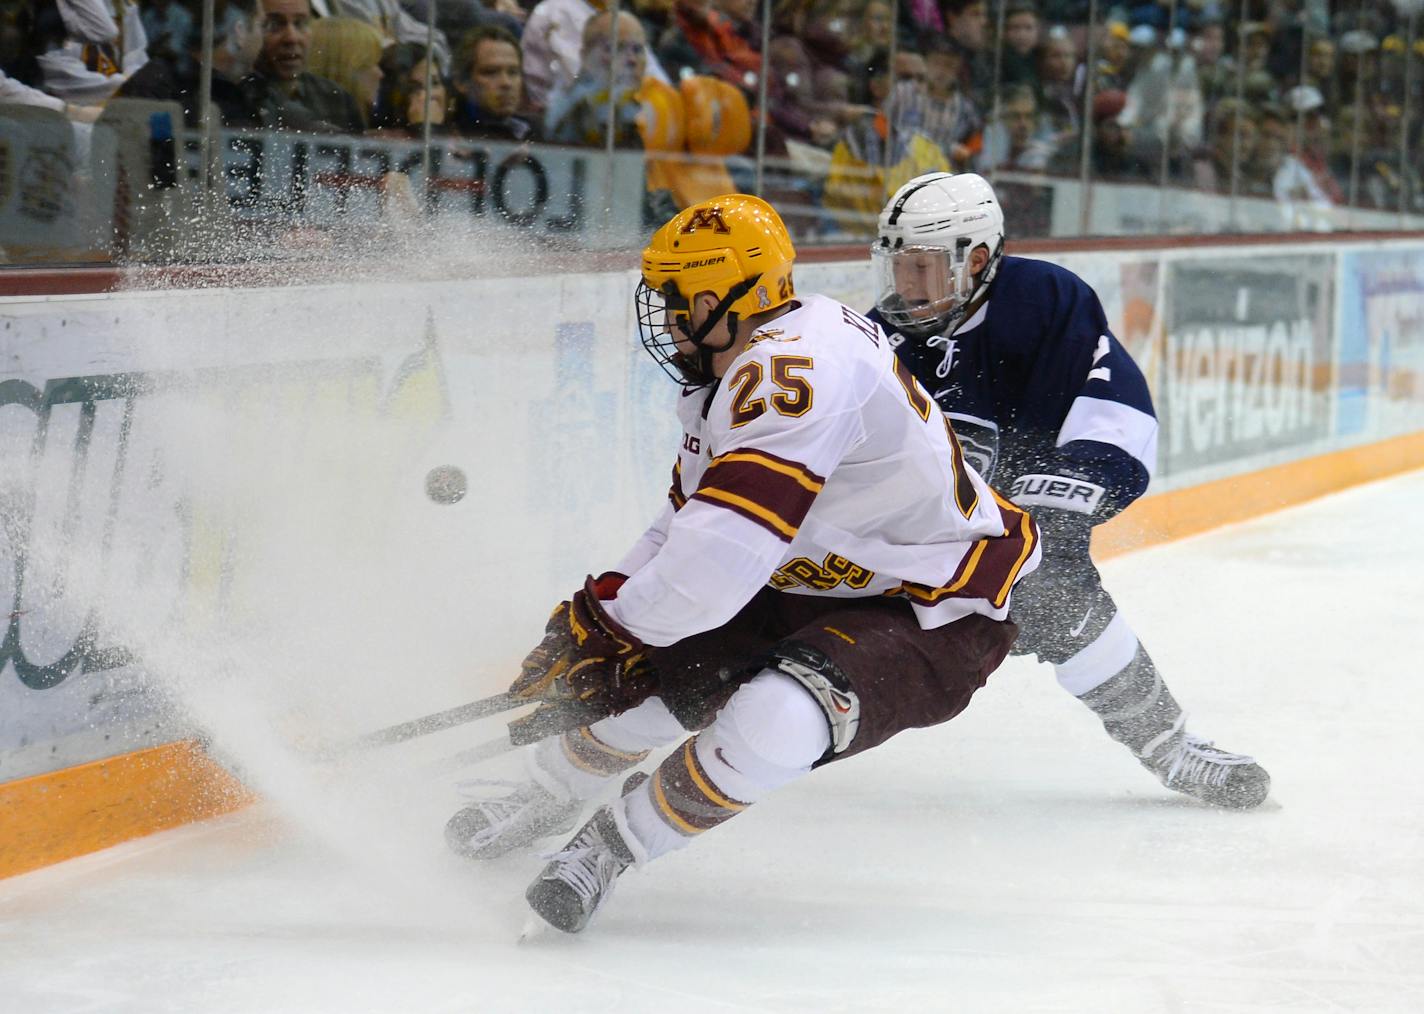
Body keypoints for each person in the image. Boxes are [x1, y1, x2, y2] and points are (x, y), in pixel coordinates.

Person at [445, 193, 1042, 934]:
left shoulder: (790, 377)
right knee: (646, 691)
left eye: (672, 299)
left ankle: (614, 844)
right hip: (799, 575)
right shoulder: (740, 369)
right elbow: (684, 527)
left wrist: (616, 628)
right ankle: (546, 791)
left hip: (929, 602)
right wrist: (598, 617)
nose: (663, 319)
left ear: (715, 295)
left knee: (778, 720)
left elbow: (712, 566)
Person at [867, 172, 1271, 810]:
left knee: (1047, 578)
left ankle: (1167, 744)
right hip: (914, 529)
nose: (905, 286)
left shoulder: (1041, 301)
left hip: (1018, 492)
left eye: (922, 268)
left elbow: (1111, 406)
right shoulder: (878, 339)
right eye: (898, 267)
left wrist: (1049, 500)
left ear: (975, 261)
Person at [236, 0, 365, 133]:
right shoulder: (235, 99)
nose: (292, 38)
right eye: (274, 25)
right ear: (247, 30)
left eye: (300, 23)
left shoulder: (337, 99)